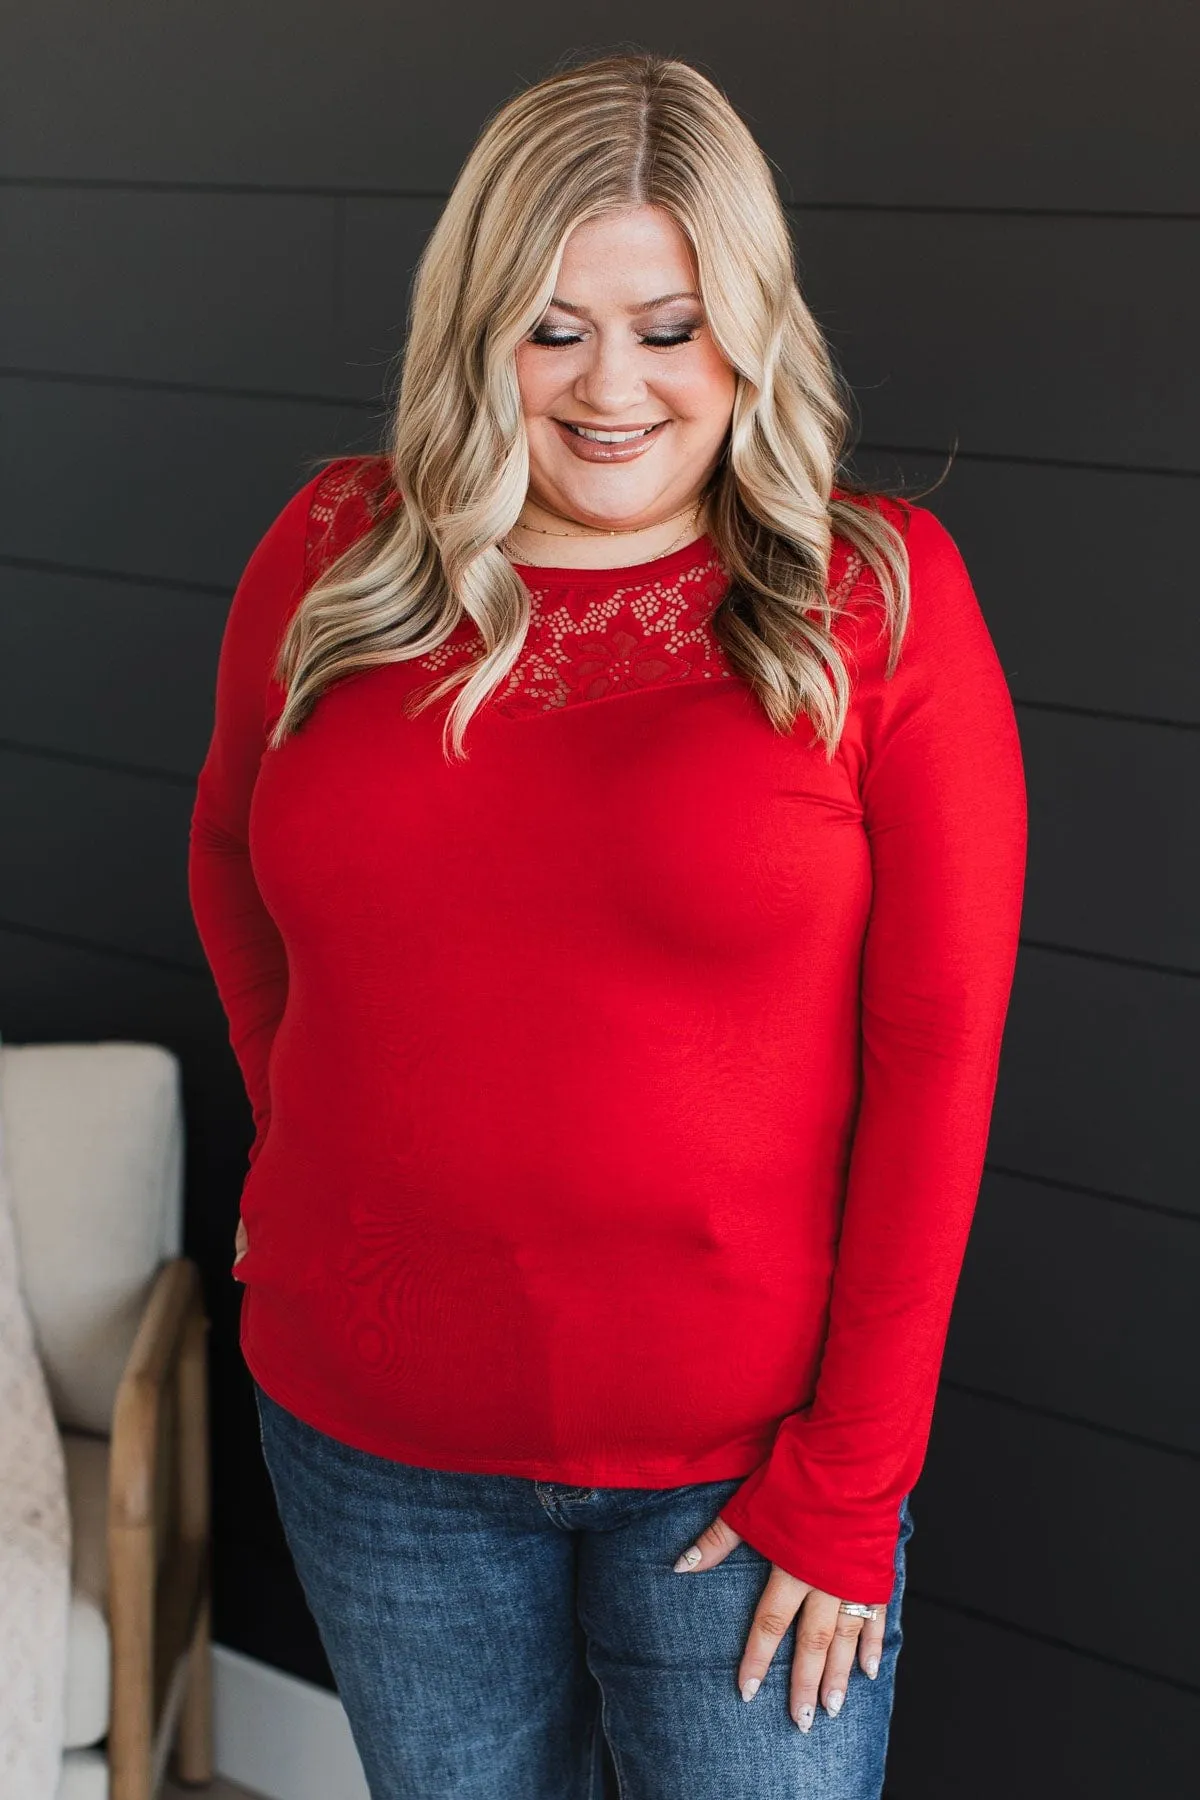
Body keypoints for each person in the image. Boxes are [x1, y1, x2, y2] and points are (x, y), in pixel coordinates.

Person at [188, 49, 1027, 1800]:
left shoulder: (872, 604)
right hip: (370, 1445)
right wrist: (303, 1151)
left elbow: (938, 1060)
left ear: (749, 327)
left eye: (667, 323)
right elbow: (231, 870)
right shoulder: (333, 554)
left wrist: (853, 1481)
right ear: (473, 325)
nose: (611, 387)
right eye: (551, 326)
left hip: (742, 1479)